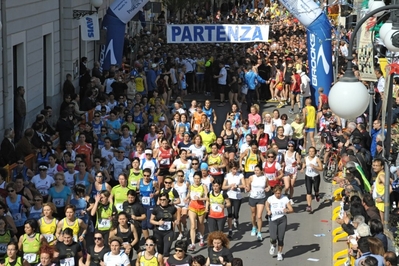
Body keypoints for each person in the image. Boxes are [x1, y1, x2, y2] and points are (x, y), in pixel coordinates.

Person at [266, 185, 294, 261]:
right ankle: (273, 245)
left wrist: (287, 210)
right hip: (273, 220)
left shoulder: (285, 198)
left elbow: (292, 209)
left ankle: (279, 253)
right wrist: (268, 210)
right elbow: (267, 204)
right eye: (276, 193)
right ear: (274, 192)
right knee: (273, 237)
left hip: (282, 220)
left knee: (281, 238)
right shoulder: (270, 198)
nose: (278, 195)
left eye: (279, 193)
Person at [150, 192, 177, 259]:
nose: (162, 201)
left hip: (168, 232)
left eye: (164, 199)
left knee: (166, 252)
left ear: (168, 199)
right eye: (161, 199)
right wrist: (158, 223)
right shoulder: (156, 209)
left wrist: (173, 229)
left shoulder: (172, 208)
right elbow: (151, 220)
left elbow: (175, 219)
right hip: (158, 232)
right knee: (160, 252)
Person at [246, 165, 269, 241]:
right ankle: (254, 226)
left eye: (257, 170)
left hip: (261, 198)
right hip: (253, 198)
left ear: (261, 171)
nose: (256, 172)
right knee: (253, 215)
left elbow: (268, 186)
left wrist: (268, 188)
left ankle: (259, 232)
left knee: (259, 216)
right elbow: (248, 186)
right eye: (255, 170)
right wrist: (247, 188)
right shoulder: (251, 177)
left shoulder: (265, 178)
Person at [223, 161, 245, 238]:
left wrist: (237, 186)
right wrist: (229, 186)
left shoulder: (240, 175)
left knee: (235, 213)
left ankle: (236, 219)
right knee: (229, 214)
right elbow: (223, 187)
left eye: (236, 169)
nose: (235, 171)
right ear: (230, 169)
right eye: (233, 169)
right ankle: (230, 230)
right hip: (229, 196)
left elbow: (244, 185)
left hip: (237, 196)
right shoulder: (227, 176)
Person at [187, 171, 208, 251]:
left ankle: (201, 238)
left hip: (201, 207)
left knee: (201, 224)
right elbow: (189, 194)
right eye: (195, 178)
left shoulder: (203, 186)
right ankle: (192, 244)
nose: (196, 180)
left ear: (200, 179)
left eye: (198, 178)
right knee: (193, 225)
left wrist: (201, 200)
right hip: (192, 207)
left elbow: (207, 198)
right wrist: (186, 198)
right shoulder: (190, 186)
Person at [301, 147, 323, 212]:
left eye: (312, 151)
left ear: (315, 152)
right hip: (308, 177)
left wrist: (315, 167)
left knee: (316, 189)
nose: (311, 153)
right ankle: (309, 206)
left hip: (316, 176)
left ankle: (317, 194)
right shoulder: (306, 158)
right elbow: (304, 163)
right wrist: (302, 168)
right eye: (310, 151)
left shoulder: (317, 159)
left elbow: (321, 168)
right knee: (308, 192)